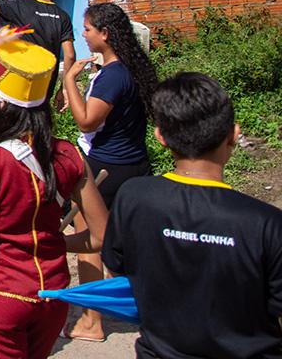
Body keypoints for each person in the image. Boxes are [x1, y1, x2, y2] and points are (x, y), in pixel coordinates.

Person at [0, 30, 108, 359]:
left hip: (2, 297)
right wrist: (52, 243)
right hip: (52, 294)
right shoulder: (70, 155)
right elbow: (101, 236)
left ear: (1, 104)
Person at [103, 73, 282, 359]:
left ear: (159, 135)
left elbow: (118, 269)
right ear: (233, 134)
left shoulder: (133, 197)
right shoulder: (267, 224)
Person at [62, 1, 157, 342]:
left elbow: (86, 119)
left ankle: (91, 320)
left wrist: (69, 79)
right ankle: (152, 306)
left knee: (90, 240)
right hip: (133, 164)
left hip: (105, 169)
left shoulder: (113, 76)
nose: (83, 35)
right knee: (125, 243)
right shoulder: (129, 68)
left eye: (87, 29)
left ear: (105, 34)